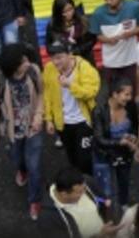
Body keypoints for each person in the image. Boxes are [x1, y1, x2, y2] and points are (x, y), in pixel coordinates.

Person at [0, 43, 44, 220]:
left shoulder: (34, 71)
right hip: (12, 131)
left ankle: (35, 200)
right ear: (13, 67)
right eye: (22, 61)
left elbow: (42, 93)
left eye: (26, 59)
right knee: (17, 158)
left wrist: (39, 116)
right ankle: (21, 169)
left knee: (34, 166)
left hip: (33, 128)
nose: (27, 62)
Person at [42, 41, 100, 175]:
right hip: (63, 123)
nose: (55, 62)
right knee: (72, 157)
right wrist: (49, 119)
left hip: (83, 122)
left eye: (59, 57)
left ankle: (88, 186)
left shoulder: (85, 68)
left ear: (69, 54)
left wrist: (70, 85)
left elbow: (91, 93)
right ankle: (77, 186)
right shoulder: (49, 69)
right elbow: (47, 94)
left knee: (84, 160)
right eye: (53, 57)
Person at [92, 76, 139, 212]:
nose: (129, 98)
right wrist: (120, 142)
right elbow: (99, 139)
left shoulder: (130, 107)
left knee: (123, 181)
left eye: (131, 94)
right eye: (126, 94)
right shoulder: (99, 111)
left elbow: (135, 127)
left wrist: (132, 137)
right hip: (104, 155)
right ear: (114, 94)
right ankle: (104, 212)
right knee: (104, 187)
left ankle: (123, 205)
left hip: (124, 154)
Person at [89, 0, 139, 89]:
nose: (108, 2)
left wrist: (131, 33)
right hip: (111, 61)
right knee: (113, 91)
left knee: (130, 90)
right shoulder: (98, 13)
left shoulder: (134, 7)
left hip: (130, 58)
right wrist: (108, 40)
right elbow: (97, 35)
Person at [48, 166, 107, 237]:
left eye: (84, 188)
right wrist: (99, 236)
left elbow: (102, 198)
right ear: (64, 194)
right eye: (79, 192)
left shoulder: (86, 182)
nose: (84, 193)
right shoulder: (49, 218)